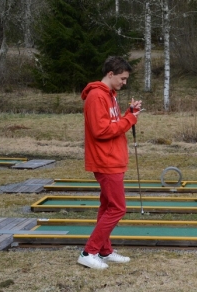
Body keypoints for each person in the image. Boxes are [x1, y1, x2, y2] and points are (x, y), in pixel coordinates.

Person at [77, 56, 142, 270]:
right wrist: (129, 120)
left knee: (107, 207)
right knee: (117, 208)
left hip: (112, 158)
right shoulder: (97, 96)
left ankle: (103, 251)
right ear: (111, 74)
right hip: (106, 161)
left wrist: (128, 114)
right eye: (122, 78)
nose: (125, 82)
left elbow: (113, 123)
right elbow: (101, 130)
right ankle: (89, 252)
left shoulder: (110, 95)